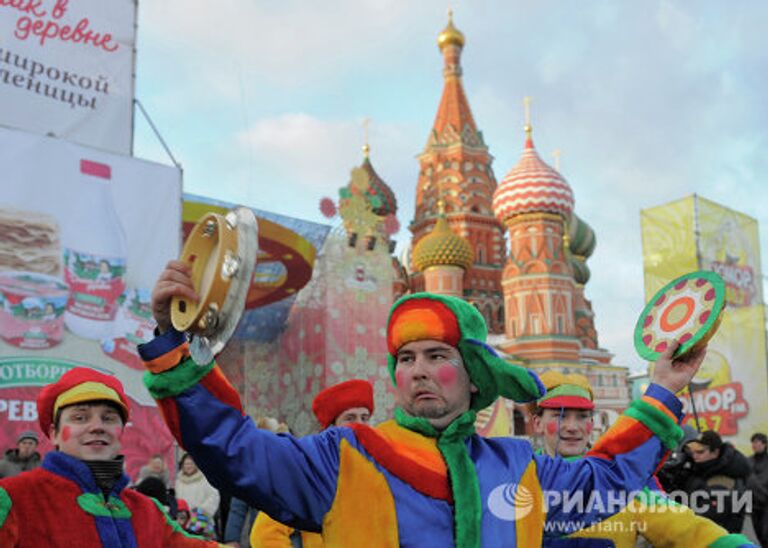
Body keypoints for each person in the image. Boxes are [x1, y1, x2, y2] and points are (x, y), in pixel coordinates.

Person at [141, 261, 707, 546]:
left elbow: (604, 482)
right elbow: (235, 450)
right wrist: (174, 344)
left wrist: (664, 387)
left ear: (474, 374)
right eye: (405, 359)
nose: (416, 371)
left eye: (435, 354)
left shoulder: (520, 467)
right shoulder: (344, 455)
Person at [529, 370, 754, 546]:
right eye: (560, 416)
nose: (572, 427)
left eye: (582, 417)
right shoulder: (518, 475)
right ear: (537, 423)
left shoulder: (625, 478)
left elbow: (685, 529)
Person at [0, 366, 216, 546]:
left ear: (121, 431)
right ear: (54, 434)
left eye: (108, 418)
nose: (97, 427)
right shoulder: (14, 498)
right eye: (80, 417)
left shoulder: (148, 511)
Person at [249, 380, 375, 547]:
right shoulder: (312, 469)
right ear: (331, 429)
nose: (359, 425)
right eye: (350, 418)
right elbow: (264, 534)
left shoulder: (379, 469)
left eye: (364, 418)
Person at [680, 430, 752, 534]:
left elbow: (704, 520)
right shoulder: (704, 468)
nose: (694, 456)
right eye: (692, 451)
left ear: (715, 452)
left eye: (700, 452)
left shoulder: (723, 481)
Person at [175, 452, 220, 524]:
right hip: (183, 521)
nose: (188, 466)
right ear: (182, 466)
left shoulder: (205, 479)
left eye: (191, 464)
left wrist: (200, 512)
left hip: (202, 520)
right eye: (186, 464)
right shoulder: (178, 481)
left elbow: (213, 496)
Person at [748, 433, 768, 547]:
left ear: (764, 444)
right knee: (758, 534)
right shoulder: (748, 461)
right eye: (753, 442)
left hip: (766, 503)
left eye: (757, 442)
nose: (754, 445)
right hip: (753, 503)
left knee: (766, 534)